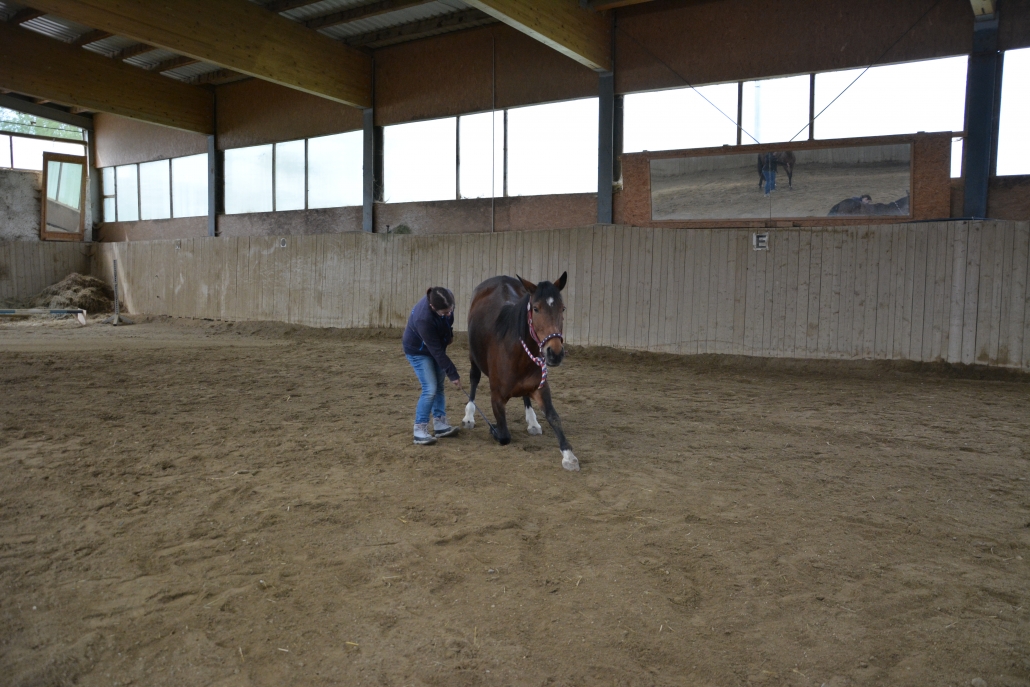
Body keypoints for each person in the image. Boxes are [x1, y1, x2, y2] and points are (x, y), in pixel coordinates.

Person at [403, 286, 463, 445]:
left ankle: (440, 423)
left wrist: (449, 334)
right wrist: (452, 373)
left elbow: (447, 322)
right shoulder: (424, 319)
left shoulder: (446, 298)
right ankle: (419, 429)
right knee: (430, 388)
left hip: (435, 346)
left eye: (451, 310)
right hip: (418, 351)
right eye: (444, 312)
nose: (449, 314)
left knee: (439, 386)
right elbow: (436, 351)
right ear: (432, 307)